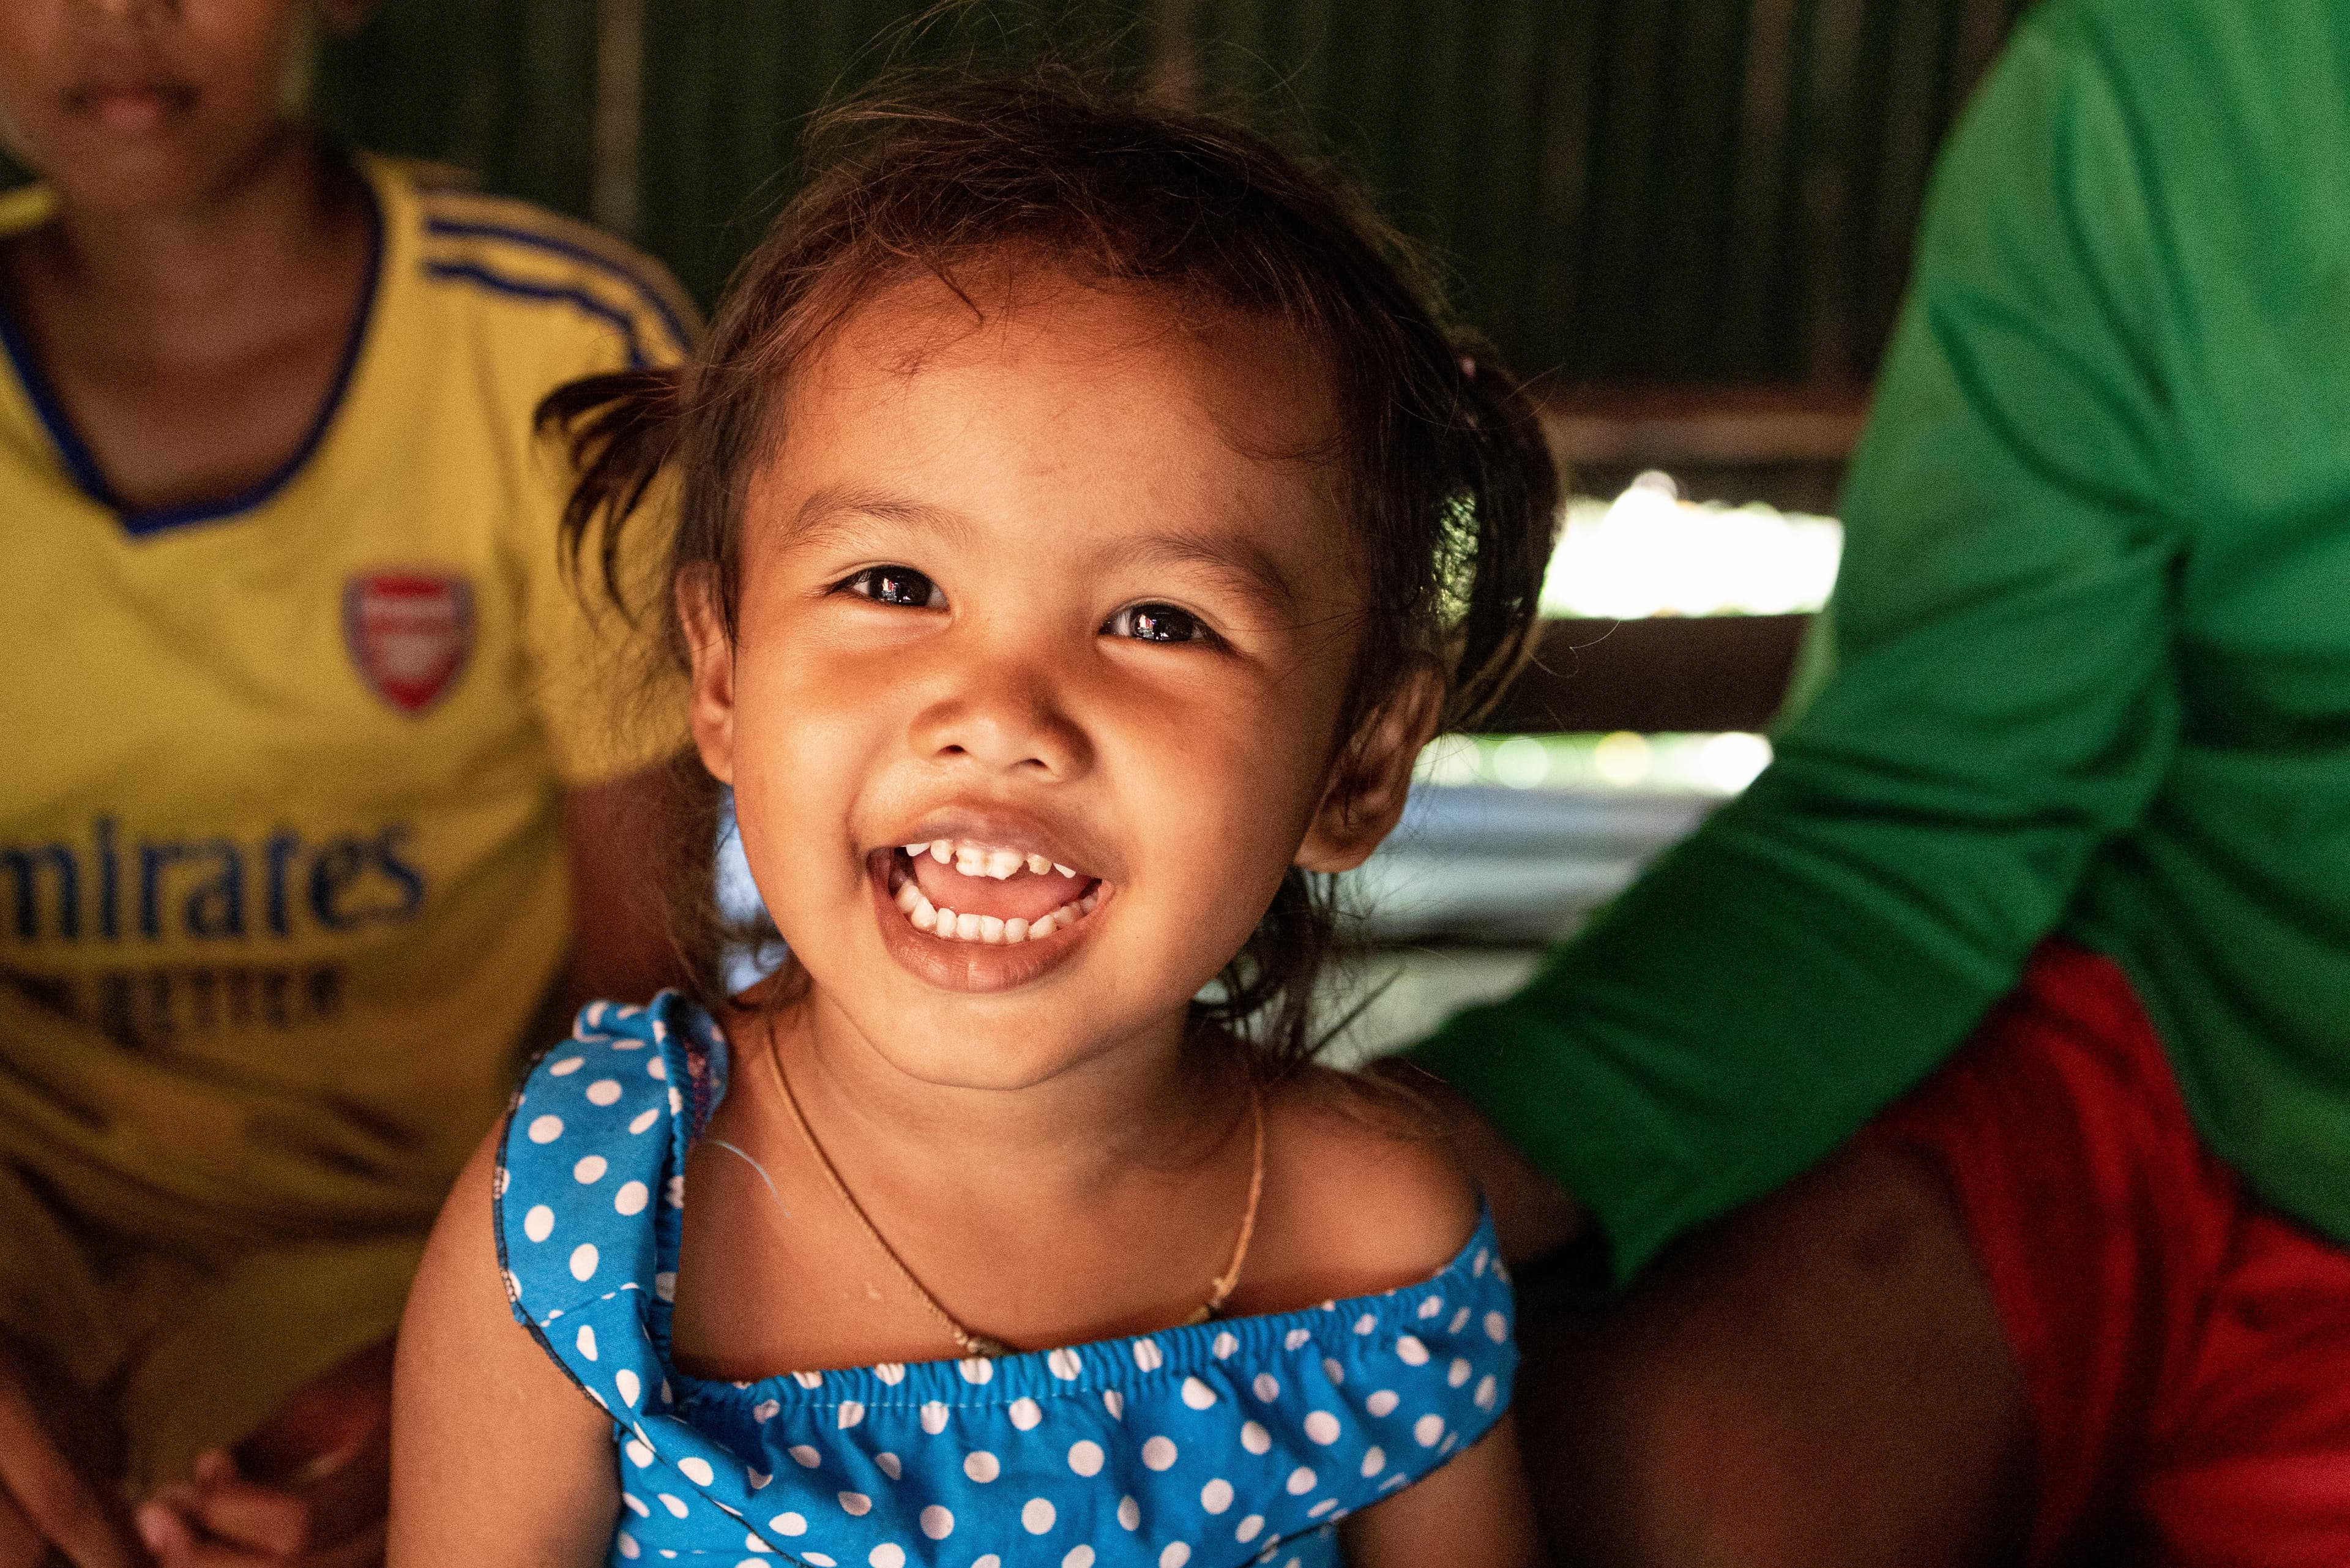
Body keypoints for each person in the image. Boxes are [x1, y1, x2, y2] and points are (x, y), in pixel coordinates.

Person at [388, 76, 1560, 1568]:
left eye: (1159, 618)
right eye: (893, 585)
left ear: (1358, 764)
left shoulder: (1374, 1248)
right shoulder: (588, 1228)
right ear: (726, 673)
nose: (999, 713)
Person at [1411, 0, 2350, 1561]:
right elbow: (1930, 805)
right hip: (2151, 1017)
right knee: (1629, 1469)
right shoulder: (2152, 82)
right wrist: (1381, 1171)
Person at [0, 2, 692, 1563]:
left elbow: (656, 1007)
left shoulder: (563, 353)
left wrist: (489, 1362)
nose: (122, 16)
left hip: (417, 1254)